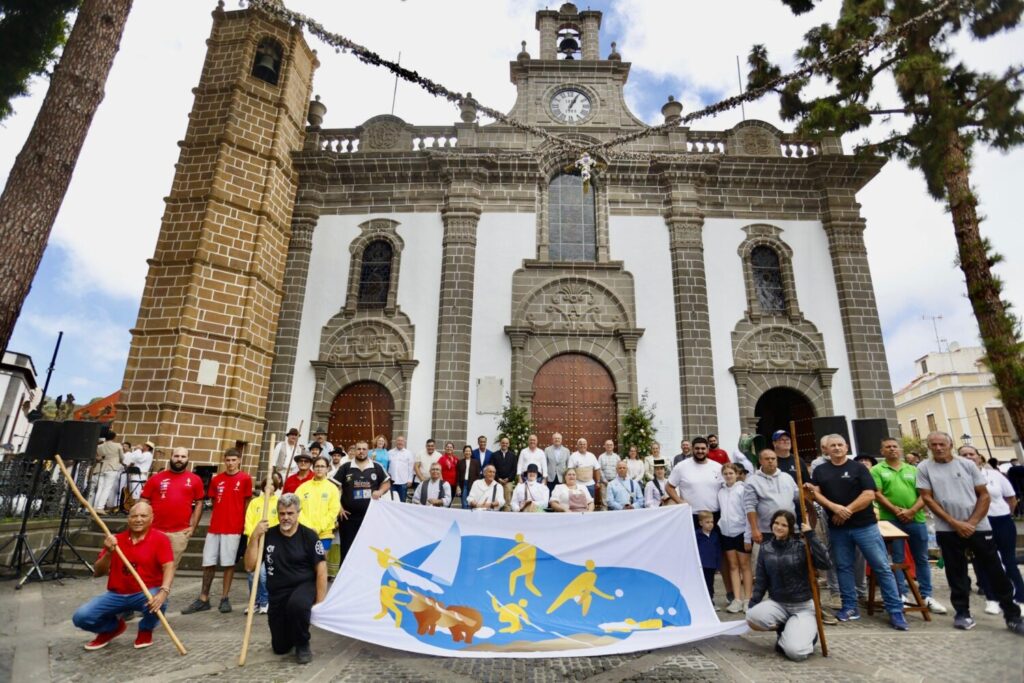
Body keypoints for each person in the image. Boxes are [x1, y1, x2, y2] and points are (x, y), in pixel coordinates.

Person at [917, 432, 1024, 634]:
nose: (938, 448)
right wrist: (954, 523)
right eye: (934, 445)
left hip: (978, 526)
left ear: (950, 444)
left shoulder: (966, 465)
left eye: (942, 444)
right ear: (929, 447)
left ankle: (1012, 614)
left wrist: (972, 522)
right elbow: (927, 498)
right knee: (956, 572)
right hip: (947, 528)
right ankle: (962, 612)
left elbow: (983, 495)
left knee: (995, 570)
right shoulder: (924, 468)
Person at [807, 434, 908, 630]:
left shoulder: (858, 468)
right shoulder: (820, 470)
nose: (836, 448)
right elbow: (815, 494)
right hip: (838, 530)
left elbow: (869, 494)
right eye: (832, 446)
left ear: (846, 447)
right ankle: (849, 607)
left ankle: (895, 610)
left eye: (840, 445)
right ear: (825, 450)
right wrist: (835, 508)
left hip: (864, 526)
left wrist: (847, 511)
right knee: (843, 567)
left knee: (881, 567)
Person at [72, 502, 174, 651]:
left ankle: (145, 629)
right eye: (134, 516)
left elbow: (168, 566)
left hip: (144, 593)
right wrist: (108, 552)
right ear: (128, 519)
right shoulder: (116, 540)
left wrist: (164, 591)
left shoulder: (160, 539)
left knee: (158, 602)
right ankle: (111, 629)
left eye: (143, 516)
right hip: (116, 594)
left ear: (152, 518)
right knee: (81, 617)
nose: (138, 519)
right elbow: (98, 572)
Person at [244, 493, 327, 664]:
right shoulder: (268, 535)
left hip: (304, 586)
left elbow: (321, 570)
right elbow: (249, 566)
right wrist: (254, 536)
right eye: (282, 514)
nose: (286, 518)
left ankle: (303, 643)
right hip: (278, 592)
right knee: (280, 647)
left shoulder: (309, 536)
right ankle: (293, 632)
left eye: (290, 513)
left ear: (298, 513)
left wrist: (320, 602)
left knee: (297, 605)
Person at [870, 438, 947, 614]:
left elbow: (925, 494)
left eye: (894, 446)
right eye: (887, 447)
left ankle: (926, 596)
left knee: (921, 558)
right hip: (890, 520)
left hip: (916, 518)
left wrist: (911, 511)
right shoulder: (877, 470)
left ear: (901, 450)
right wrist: (897, 511)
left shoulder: (914, 469)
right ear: (882, 451)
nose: (891, 449)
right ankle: (901, 594)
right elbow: (877, 494)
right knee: (897, 559)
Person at [746, 510, 831, 662]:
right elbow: (761, 580)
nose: (779, 527)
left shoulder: (801, 547)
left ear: (791, 528)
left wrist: (811, 536)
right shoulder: (765, 548)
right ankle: (785, 628)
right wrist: (754, 603)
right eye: (776, 523)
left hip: (803, 606)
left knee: (796, 653)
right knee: (752, 616)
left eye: (784, 525)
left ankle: (806, 635)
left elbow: (825, 563)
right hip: (778, 603)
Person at [182, 448, 252, 615]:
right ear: (224, 461)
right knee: (208, 562)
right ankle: (203, 597)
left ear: (239, 461)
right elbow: (214, 500)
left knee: (229, 563)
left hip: (233, 528)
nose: (230, 463)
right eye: (227, 460)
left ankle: (224, 597)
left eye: (234, 460)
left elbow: (247, 502)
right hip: (215, 527)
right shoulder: (217, 480)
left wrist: (243, 525)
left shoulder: (245, 479)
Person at [959, 444, 1024, 613]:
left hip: (1000, 520)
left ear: (979, 457)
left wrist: (1006, 514)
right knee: (982, 562)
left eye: (971, 454)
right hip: (977, 523)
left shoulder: (994, 475)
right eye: (963, 455)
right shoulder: (958, 478)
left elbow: (1011, 497)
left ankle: (1020, 597)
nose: (968, 457)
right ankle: (992, 598)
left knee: (1008, 560)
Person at [140, 447, 204, 569]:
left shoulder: (195, 480)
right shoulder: (155, 479)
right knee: (148, 566)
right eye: (176, 456)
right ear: (171, 457)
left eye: (183, 456)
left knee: (170, 569)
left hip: (179, 534)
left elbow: (199, 503)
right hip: (154, 530)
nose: (179, 459)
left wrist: (193, 527)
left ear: (188, 459)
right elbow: (143, 502)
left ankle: (164, 589)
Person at [334, 441, 390, 561]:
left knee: (368, 547)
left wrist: (380, 492)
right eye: (358, 449)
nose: (361, 451)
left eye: (364, 449)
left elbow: (387, 483)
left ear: (368, 450)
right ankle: (345, 577)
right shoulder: (346, 467)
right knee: (347, 547)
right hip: (348, 517)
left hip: (370, 516)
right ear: (354, 451)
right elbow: (333, 488)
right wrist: (339, 507)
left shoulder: (376, 466)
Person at [243, 473, 282, 615]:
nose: (268, 487)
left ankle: (265, 601)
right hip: (254, 543)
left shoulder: (278, 503)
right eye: (266, 484)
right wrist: (254, 535)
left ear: (275, 487)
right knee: (253, 575)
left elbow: (278, 524)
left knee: (265, 575)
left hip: (269, 544)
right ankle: (254, 601)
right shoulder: (255, 503)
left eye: (272, 484)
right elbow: (249, 521)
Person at [744, 450, 800, 546]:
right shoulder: (752, 481)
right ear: (760, 461)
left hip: (790, 528)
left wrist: (806, 491)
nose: (770, 461)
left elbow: (798, 498)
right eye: (767, 459)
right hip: (767, 531)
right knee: (771, 560)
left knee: (793, 560)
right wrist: (754, 529)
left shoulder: (787, 477)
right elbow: (750, 507)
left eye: (773, 458)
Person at [718, 463, 752, 613]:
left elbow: (748, 513)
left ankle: (748, 599)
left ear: (737, 474)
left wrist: (747, 536)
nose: (728, 476)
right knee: (733, 566)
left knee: (745, 566)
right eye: (725, 473)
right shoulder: (721, 492)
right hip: (726, 532)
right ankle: (737, 599)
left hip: (741, 532)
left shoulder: (742, 489)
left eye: (731, 473)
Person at [666, 437, 723, 526]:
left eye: (703, 448)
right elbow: (669, 486)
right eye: (697, 448)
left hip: (714, 516)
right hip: (691, 515)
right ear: (692, 449)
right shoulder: (681, 466)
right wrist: (679, 501)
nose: (700, 451)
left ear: (707, 449)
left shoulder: (718, 467)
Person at [296, 456, 341, 551]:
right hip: (304, 533)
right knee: (303, 564)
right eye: (317, 466)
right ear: (313, 468)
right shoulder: (303, 487)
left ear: (327, 469)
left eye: (322, 466)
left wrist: (318, 528)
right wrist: (308, 528)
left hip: (324, 534)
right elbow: (297, 509)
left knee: (321, 564)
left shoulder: (332, 488)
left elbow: (333, 511)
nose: (319, 469)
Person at [91, 432, 124, 513]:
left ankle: (95, 506)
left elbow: (98, 457)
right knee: (107, 488)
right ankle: (100, 507)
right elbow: (122, 457)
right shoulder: (118, 445)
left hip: (101, 467)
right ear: (114, 437)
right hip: (112, 467)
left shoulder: (99, 446)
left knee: (100, 488)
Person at [695, 510, 721, 605]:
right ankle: (701, 601)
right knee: (701, 583)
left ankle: (710, 600)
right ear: (701, 523)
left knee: (710, 583)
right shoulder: (697, 535)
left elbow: (718, 550)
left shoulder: (715, 535)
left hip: (711, 565)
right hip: (701, 565)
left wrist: (718, 566)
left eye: (712, 522)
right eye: (707, 522)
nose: (710, 524)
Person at [489, 437, 518, 510]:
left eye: (506, 443)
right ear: (500, 444)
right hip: (496, 480)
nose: (504, 444)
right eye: (503, 443)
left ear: (509, 444)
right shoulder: (494, 455)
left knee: (507, 502)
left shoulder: (513, 456)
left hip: (508, 482)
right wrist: (498, 478)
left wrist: (508, 479)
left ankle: (506, 516)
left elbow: (514, 470)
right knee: (495, 499)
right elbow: (492, 468)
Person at [387, 436, 414, 502]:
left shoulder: (408, 453)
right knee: (391, 500)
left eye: (402, 441)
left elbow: (411, 467)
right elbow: (387, 466)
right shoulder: (390, 452)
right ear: (396, 442)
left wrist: (410, 480)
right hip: (392, 482)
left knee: (402, 501)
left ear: (404, 442)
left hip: (403, 482)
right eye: (398, 440)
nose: (400, 442)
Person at [456, 444, 481, 509]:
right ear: (463, 452)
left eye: (469, 451)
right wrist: (458, 486)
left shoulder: (476, 462)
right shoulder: (460, 462)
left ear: (471, 452)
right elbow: (458, 475)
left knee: (471, 501)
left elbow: (478, 475)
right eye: (466, 451)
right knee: (464, 502)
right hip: (463, 484)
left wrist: (477, 485)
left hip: (473, 484)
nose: (467, 452)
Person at [598, 440, 621, 506]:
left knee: (615, 500)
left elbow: (619, 469)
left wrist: (615, 480)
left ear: (613, 446)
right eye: (607, 445)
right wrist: (605, 481)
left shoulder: (617, 457)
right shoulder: (601, 457)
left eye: (611, 445)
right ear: (604, 446)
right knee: (604, 502)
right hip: (604, 483)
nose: (609, 446)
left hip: (615, 482)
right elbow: (599, 470)